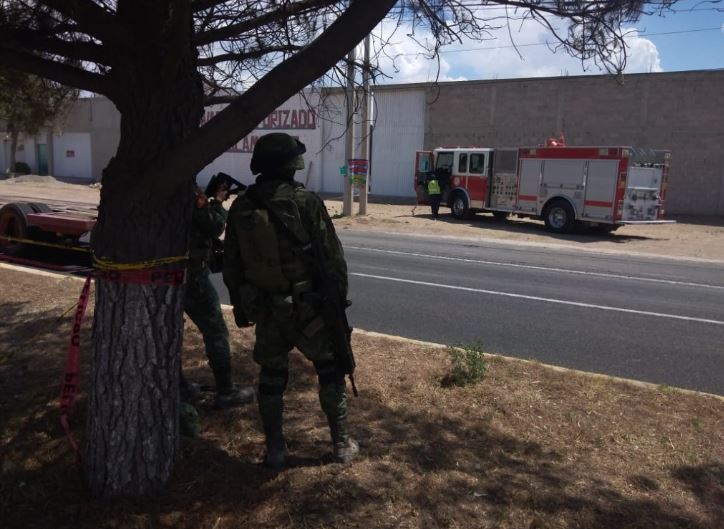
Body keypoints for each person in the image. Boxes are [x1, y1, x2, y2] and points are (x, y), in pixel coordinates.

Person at [223, 132, 358, 469]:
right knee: (330, 370)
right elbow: (333, 260)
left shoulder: (242, 206)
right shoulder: (306, 202)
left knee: (271, 377)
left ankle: (275, 450)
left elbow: (232, 265)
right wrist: (337, 304)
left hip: (267, 309)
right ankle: (341, 446)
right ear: (289, 165)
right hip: (309, 307)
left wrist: (241, 307)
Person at [182, 179, 255, 411]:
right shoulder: (189, 191)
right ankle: (226, 391)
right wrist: (217, 203)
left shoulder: (159, 187)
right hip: (191, 275)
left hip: (164, 274)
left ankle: (178, 385)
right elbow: (214, 227)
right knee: (216, 331)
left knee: (168, 332)